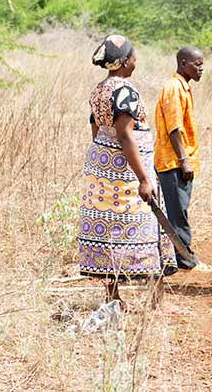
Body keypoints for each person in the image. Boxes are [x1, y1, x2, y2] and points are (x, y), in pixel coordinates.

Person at [78, 34, 177, 307]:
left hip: (103, 169)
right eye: (133, 56)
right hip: (125, 174)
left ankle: (114, 298)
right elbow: (125, 136)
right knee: (146, 228)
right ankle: (155, 300)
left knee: (110, 230)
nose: (136, 60)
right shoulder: (125, 92)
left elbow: (96, 128)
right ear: (123, 62)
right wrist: (144, 178)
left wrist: (104, 158)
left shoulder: (99, 89)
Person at [154, 46, 212, 275]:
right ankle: (186, 260)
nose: (201, 69)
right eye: (197, 64)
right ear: (183, 63)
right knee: (178, 214)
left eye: (202, 64)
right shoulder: (173, 88)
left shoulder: (183, 87)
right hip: (173, 162)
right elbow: (174, 128)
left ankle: (177, 257)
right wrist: (184, 159)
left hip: (178, 161)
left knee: (179, 210)